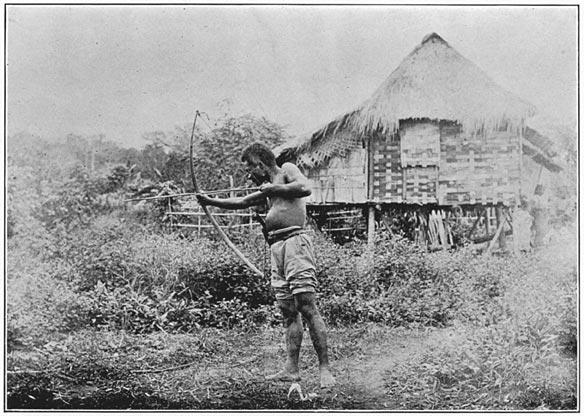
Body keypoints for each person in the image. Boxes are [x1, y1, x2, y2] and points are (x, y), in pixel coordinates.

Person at [196, 143, 336, 389]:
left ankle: (324, 369)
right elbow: (242, 201)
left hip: (296, 244)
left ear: (260, 164)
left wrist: (275, 186)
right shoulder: (267, 189)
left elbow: (305, 187)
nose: (249, 173)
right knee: (287, 310)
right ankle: (292, 370)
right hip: (277, 248)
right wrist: (209, 200)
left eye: (250, 167)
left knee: (306, 305)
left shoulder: (286, 171)